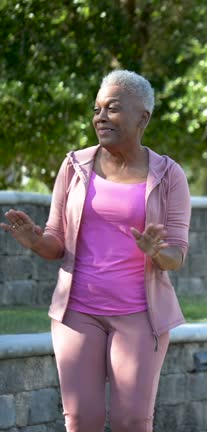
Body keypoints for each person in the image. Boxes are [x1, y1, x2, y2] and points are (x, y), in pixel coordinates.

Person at [1, 70, 191, 432]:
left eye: (113, 109)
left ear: (143, 117)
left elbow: (177, 255)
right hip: (77, 313)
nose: (101, 117)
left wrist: (156, 251)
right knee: (80, 421)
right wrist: (36, 241)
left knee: (132, 421)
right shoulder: (74, 166)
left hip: (140, 315)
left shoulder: (169, 176)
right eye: (97, 109)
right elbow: (57, 243)